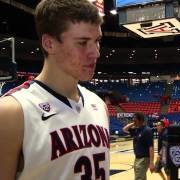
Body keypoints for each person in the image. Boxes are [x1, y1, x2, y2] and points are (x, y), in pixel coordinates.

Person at [0, 0, 110, 179]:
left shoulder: (98, 104)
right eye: (83, 43)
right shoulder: (11, 113)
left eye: (97, 41)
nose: (95, 52)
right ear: (49, 43)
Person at [122, 112, 155, 180]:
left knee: (138, 178)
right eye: (133, 120)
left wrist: (151, 163)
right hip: (137, 158)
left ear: (140, 120)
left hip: (144, 159)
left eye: (135, 120)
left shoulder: (147, 130)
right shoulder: (136, 129)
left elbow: (151, 147)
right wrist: (133, 123)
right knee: (142, 178)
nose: (133, 121)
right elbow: (124, 129)